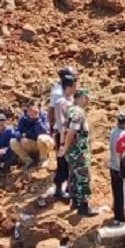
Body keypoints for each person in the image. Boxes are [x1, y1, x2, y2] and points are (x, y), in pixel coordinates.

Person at [59, 88, 98, 216]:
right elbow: (71, 131)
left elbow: (64, 129)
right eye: (87, 98)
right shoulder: (78, 113)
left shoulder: (70, 110)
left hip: (72, 150)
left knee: (73, 176)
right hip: (78, 151)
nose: (88, 101)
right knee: (83, 177)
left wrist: (64, 146)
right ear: (81, 98)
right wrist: (65, 147)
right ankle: (83, 206)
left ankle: (75, 201)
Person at [50, 70, 76, 199]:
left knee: (70, 163)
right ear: (67, 87)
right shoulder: (60, 102)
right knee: (62, 163)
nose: (75, 89)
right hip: (62, 135)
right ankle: (59, 191)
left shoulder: (70, 99)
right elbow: (61, 124)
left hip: (69, 135)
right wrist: (62, 143)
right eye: (73, 87)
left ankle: (69, 189)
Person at [11, 100, 53, 169]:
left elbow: (45, 131)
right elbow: (17, 131)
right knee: (13, 142)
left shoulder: (44, 115)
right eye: (30, 110)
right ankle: (28, 161)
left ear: (39, 109)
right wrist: (20, 137)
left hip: (46, 142)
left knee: (41, 137)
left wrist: (37, 120)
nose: (32, 112)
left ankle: (43, 159)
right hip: (32, 143)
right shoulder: (24, 118)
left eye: (34, 109)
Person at [108, 110, 125, 225]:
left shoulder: (113, 132)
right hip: (121, 168)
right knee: (124, 194)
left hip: (112, 166)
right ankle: (122, 218)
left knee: (116, 193)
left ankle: (117, 217)